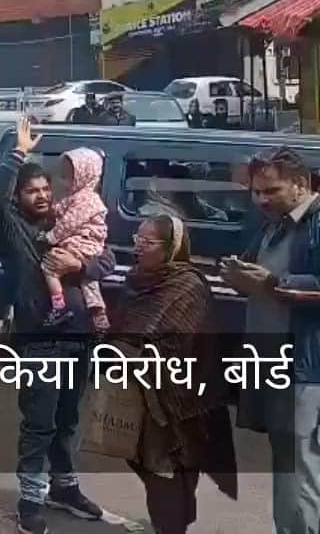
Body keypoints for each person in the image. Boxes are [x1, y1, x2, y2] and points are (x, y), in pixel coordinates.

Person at [0, 117, 109, 534]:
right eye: (30, 190)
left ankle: (64, 487)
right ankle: (30, 500)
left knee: (69, 419)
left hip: (79, 339)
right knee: (39, 422)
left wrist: (82, 264)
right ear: (19, 197)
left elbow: (107, 259)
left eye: (44, 189)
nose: (40, 195)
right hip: (40, 343)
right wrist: (17, 153)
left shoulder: (68, 218)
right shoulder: (15, 229)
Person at [220, 147, 320, 534]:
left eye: (271, 191)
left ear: (300, 184)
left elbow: (283, 284)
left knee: (300, 474)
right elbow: (258, 274)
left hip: (307, 371)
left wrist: (277, 286)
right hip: (275, 365)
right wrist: (240, 276)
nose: (261, 199)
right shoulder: (275, 224)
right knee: (287, 468)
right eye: (256, 192)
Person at [118, 214, 238, 534]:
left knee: (170, 474)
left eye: (148, 243)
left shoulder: (188, 286)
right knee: (153, 471)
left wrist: (137, 352)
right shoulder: (136, 280)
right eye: (136, 240)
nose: (138, 248)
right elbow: (125, 330)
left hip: (181, 403)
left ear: (171, 248)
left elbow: (180, 346)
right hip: (143, 396)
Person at [41, 148, 111, 332]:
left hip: (81, 246)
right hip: (45, 319)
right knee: (89, 284)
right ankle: (98, 314)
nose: (64, 182)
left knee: (50, 269)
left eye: (70, 177)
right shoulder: (75, 200)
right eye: (62, 176)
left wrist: (78, 264)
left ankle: (59, 307)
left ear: (83, 177)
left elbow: (107, 260)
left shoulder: (86, 201)